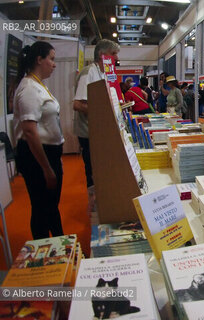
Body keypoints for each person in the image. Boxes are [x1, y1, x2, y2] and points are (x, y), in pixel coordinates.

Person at [13, 41, 64, 239]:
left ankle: (60, 245)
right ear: (39, 60)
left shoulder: (38, 85)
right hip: (36, 157)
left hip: (48, 154)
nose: (54, 64)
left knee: (50, 205)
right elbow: (29, 131)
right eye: (51, 59)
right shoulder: (29, 89)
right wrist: (47, 168)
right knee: (43, 207)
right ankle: (45, 248)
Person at [73, 39, 119, 213]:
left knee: (99, 170)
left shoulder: (102, 73)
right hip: (89, 133)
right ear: (102, 55)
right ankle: (93, 207)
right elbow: (78, 104)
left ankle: (100, 202)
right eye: (113, 54)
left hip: (98, 132)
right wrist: (102, 111)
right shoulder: (88, 72)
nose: (116, 58)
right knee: (92, 170)